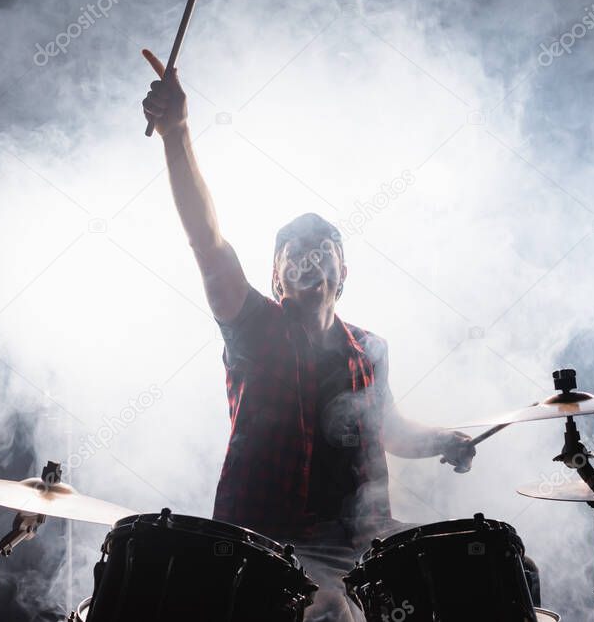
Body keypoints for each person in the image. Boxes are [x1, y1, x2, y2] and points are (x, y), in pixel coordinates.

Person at [140, 49, 482, 621]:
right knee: (331, 613)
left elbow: (389, 428)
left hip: (365, 540)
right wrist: (176, 133)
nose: (307, 258)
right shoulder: (255, 329)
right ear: (276, 277)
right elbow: (208, 242)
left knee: (494, 569)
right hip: (272, 546)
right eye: (291, 253)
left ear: (342, 272)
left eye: (323, 250)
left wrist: (444, 439)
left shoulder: (369, 349)